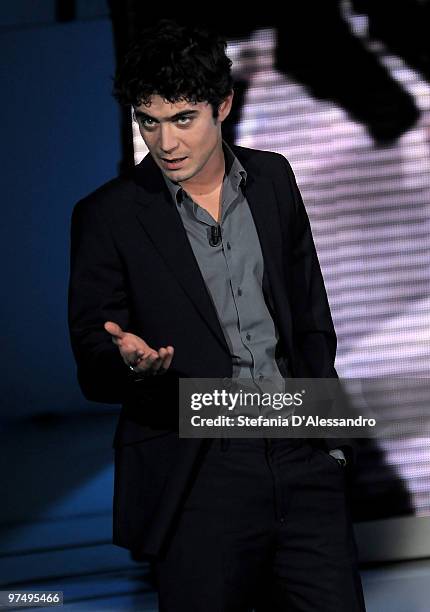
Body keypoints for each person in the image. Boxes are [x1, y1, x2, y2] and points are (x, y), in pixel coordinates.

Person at [68, 19, 366, 612]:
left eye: (182, 119)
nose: (166, 142)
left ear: (222, 105)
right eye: (148, 121)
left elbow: (310, 316)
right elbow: (93, 364)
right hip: (198, 469)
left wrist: (326, 444)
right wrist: (133, 366)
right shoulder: (108, 216)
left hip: (298, 453)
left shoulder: (273, 178)